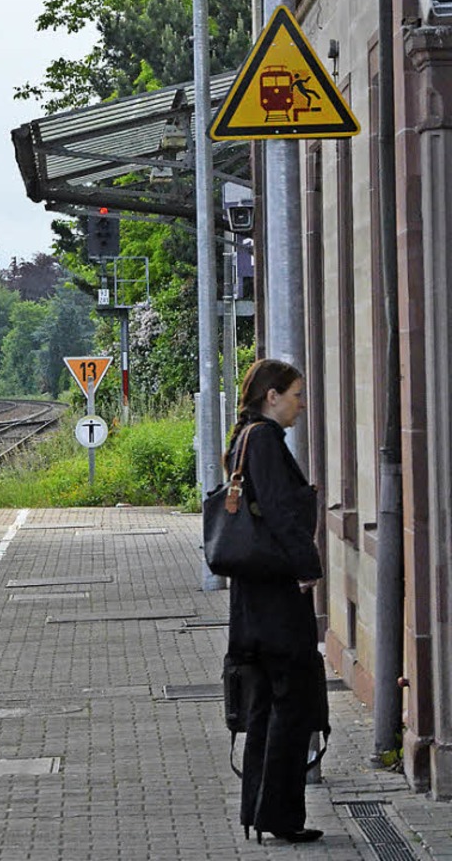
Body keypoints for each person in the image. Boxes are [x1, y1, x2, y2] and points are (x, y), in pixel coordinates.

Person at [224, 358, 324, 845]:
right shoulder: (263, 440)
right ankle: (280, 816)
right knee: (291, 700)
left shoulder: (242, 437)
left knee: (265, 702)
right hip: (275, 592)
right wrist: (308, 568)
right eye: (297, 395)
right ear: (272, 396)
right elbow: (282, 513)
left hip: (253, 594)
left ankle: (259, 814)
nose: (301, 405)